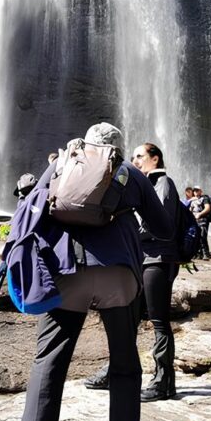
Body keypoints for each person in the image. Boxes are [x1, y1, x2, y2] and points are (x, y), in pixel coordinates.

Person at [5, 123, 173, 421]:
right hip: (118, 275)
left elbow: (31, 210)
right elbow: (164, 228)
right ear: (117, 148)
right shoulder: (131, 172)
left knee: (50, 361)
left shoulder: (63, 162)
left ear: (85, 144)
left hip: (68, 273)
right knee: (125, 363)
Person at [84, 142, 181, 401]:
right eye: (133, 156)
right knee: (129, 319)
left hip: (158, 259)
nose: (134, 161)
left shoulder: (163, 183)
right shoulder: (143, 184)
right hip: (140, 259)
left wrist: (126, 233)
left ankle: (164, 382)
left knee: (159, 320)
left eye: (140, 156)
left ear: (155, 159)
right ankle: (114, 371)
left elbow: (160, 224)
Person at [190, 187, 211, 258]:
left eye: (197, 191)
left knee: (202, 237)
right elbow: (190, 209)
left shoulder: (204, 199)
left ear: (200, 191)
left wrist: (199, 214)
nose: (196, 192)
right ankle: (198, 254)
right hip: (195, 221)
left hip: (203, 220)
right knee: (196, 237)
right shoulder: (192, 200)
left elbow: (207, 208)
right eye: (194, 191)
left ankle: (206, 254)